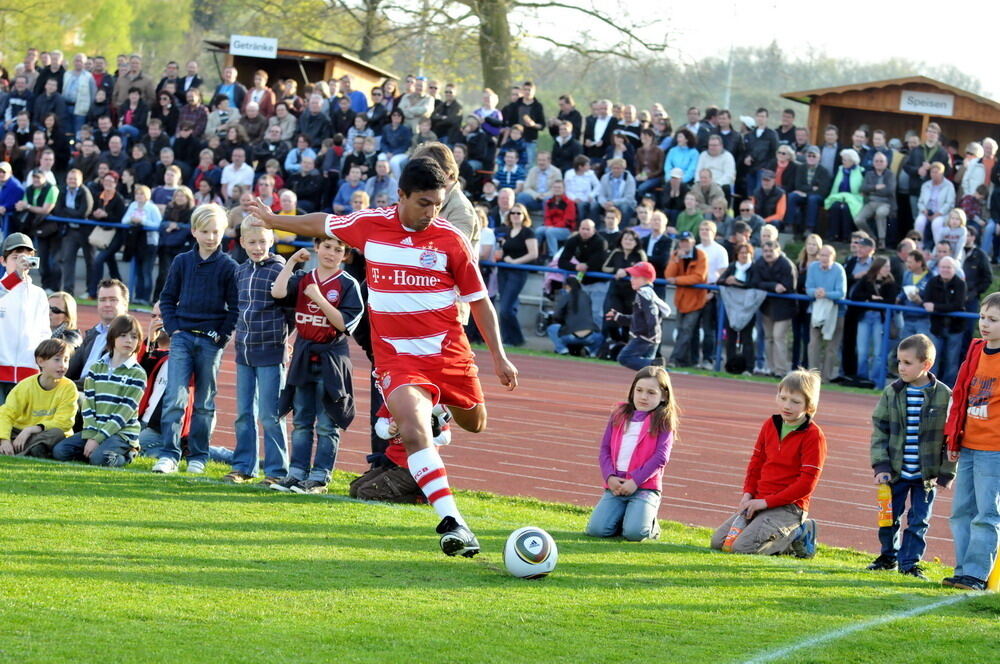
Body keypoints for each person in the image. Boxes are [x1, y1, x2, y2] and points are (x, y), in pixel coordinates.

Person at [245, 157, 518, 557]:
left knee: (475, 423)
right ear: (401, 196)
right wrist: (273, 221)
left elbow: (480, 304)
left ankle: (440, 409)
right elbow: (321, 222)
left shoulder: (450, 240)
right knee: (410, 427)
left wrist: (499, 357)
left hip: (448, 352)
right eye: (424, 203)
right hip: (397, 358)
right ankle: (453, 522)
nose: (432, 212)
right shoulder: (370, 224)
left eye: (438, 204)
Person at [268, 239, 363, 494]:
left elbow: (344, 324)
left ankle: (320, 477)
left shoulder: (347, 284)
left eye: (338, 250)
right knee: (301, 419)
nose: (331, 253)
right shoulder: (303, 277)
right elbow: (277, 292)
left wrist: (319, 298)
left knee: (326, 422)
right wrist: (290, 262)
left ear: (345, 256)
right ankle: (296, 473)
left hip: (330, 359)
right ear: (316, 247)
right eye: (327, 247)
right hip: (303, 355)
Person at [152, 204, 239, 474]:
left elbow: (235, 308)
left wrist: (222, 337)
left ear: (223, 232)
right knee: (175, 399)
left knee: (204, 402)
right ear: (194, 231)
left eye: (216, 232)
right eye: (205, 231)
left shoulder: (229, 266)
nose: (211, 237)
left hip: (210, 344)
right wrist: (174, 328)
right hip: (182, 339)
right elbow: (167, 299)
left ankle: (198, 456)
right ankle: (169, 454)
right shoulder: (181, 262)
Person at [710, 369, 825, 557]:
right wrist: (748, 494)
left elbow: (806, 484)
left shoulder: (814, 436)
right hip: (759, 500)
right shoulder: (769, 425)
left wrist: (766, 502)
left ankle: (799, 532)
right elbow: (756, 463)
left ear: (809, 406)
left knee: (742, 548)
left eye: (795, 402)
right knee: (719, 543)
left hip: (788, 507)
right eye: (783, 398)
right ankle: (773, 531)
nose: (787, 405)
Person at [867, 333, 954, 580]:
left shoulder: (944, 395)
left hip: (926, 476)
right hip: (894, 472)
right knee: (888, 518)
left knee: (919, 522)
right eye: (899, 362)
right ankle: (887, 557)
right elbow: (879, 430)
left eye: (907, 363)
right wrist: (881, 465)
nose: (900, 368)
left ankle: (910, 563)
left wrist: (947, 472)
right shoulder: (891, 393)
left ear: (925, 365)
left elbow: (951, 437)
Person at [221, 219, 292, 485]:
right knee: (243, 413)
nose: (257, 247)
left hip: (271, 352)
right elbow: (238, 309)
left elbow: (291, 311)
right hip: (244, 353)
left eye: (263, 241)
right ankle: (243, 467)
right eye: (252, 242)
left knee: (270, 415)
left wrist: (286, 341)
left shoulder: (279, 270)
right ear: (242, 243)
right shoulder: (240, 272)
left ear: (271, 240)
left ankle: (276, 472)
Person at [942, 292, 1000, 590]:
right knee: (960, 511)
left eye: (993, 319)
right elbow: (961, 393)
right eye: (982, 317)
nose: (985, 324)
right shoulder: (976, 349)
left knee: (986, 513)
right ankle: (963, 569)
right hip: (969, 445)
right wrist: (953, 438)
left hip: (995, 450)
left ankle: (977, 574)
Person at [584, 366, 677, 541]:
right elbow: (604, 449)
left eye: (651, 392)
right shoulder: (619, 414)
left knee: (635, 534)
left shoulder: (663, 421)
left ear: (663, 396)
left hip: (644, 487)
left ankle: (650, 525)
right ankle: (624, 518)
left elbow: (661, 457)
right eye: (639, 390)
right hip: (617, 485)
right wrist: (609, 477)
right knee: (596, 530)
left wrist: (635, 481)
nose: (643, 397)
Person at [52, 314, 147, 467]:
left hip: (121, 433)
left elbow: (123, 413)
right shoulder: (96, 368)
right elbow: (88, 404)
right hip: (96, 429)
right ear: (112, 338)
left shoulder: (137, 374)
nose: (129, 340)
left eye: (134, 337)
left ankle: (127, 454)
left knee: (99, 460)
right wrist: (91, 435)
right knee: (60, 451)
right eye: (123, 335)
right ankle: (93, 452)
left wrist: (97, 439)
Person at [0, 338, 77, 458]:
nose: (62, 365)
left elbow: (64, 422)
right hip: (19, 433)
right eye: (57, 360)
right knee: (4, 428)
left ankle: (18, 452)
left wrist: (31, 429)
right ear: (40, 361)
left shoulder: (69, 388)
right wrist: (4, 439)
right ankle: (25, 449)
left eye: (66, 360)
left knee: (57, 433)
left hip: (44, 434)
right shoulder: (26, 385)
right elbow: (7, 413)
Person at [0, 233, 50, 404]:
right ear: (3, 261)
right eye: (15, 257)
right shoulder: (2, 289)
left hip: (28, 375)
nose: (22, 262)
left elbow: (44, 334)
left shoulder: (39, 294)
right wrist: (15, 278)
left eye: (27, 257)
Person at [606, 261, 670, 370]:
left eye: (635, 277)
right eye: (631, 276)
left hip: (645, 337)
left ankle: (656, 366)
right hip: (651, 337)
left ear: (646, 279)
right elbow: (637, 319)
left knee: (624, 358)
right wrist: (618, 317)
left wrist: (652, 334)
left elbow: (652, 314)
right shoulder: (645, 293)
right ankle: (655, 371)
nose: (631, 280)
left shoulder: (644, 294)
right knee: (646, 373)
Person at [67, 278, 129, 387]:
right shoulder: (93, 333)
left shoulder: (128, 337)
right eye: (102, 300)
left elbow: (102, 379)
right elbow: (70, 368)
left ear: (125, 304)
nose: (107, 304)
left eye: (113, 299)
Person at [493, 203, 537, 346]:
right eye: (513, 213)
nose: (516, 216)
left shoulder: (528, 232)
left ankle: (517, 339)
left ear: (524, 216)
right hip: (503, 271)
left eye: (519, 213)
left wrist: (515, 262)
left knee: (506, 308)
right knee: (505, 308)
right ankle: (507, 339)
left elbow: (533, 254)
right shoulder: (506, 231)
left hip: (517, 272)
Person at [751, 240, 797, 377]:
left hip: (784, 308)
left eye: (771, 251)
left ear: (778, 251)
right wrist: (773, 286)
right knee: (768, 337)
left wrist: (775, 286)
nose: (768, 254)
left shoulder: (786, 264)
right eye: (765, 251)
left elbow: (788, 286)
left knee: (778, 337)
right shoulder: (759, 263)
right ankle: (770, 368)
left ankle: (781, 370)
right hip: (766, 307)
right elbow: (755, 282)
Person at [664, 232, 708, 367]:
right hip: (681, 300)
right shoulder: (676, 254)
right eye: (682, 241)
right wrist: (675, 260)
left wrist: (678, 280)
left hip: (696, 300)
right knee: (685, 331)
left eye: (687, 241)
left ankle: (674, 359)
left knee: (686, 330)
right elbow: (668, 275)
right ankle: (688, 360)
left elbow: (698, 277)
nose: (684, 244)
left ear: (693, 242)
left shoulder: (701, 255)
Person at [853, 257, 899, 385]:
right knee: (862, 351)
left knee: (879, 352)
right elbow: (856, 296)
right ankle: (862, 379)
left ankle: (875, 380)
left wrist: (872, 300)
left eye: (888, 266)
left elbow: (890, 301)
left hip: (880, 318)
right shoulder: (866, 279)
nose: (888, 269)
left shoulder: (890, 283)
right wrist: (872, 298)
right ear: (878, 267)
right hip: (865, 317)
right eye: (885, 266)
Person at [805, 245, 846, 382]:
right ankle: (813, 376)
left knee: (831, 346)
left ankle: (826, 377)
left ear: (833, 257)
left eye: (827, 255)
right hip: (816, 310)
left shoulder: (839, 270)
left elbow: (841, 293)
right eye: (822, 255)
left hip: (836, 312)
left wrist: (826, 294)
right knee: (813, 344)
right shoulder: (813, 268)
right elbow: (808, 288)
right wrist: (816, 292)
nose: (823, 258)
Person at [923, 256, 966, 386]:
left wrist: (936, 307)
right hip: (937, 328)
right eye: (943, 267)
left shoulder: (960, 284)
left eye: (948, 267)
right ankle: (931, 386)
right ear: (938, 268)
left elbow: (958, 305)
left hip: (955, 328)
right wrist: (940, 308)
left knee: (951, 361)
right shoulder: (932, 282)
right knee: (933, 359)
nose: (945, 270)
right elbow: (927, 302)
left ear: (954, 269)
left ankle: (948, 389)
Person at [547, 276, 603, 357]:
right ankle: (590, 351)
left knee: (551, 329)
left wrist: (562, 322)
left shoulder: (566, 296)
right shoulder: (586, 296)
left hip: (570, 335)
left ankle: (562, 349)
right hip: (591, 336)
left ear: (567, 286)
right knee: (600, 336)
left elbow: (557, 315)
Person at [855, 151, 896, 249]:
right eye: (876, 161)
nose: (879, 163)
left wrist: (871, 190)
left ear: (886, 163)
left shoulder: (890, 175)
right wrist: (876, 187)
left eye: (881, 161)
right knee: (858, 219)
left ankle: (882, 241)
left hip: (885, 203)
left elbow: (890, 190)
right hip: (871, 202)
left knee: (881, 213)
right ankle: (872, 237)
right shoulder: (869, 174)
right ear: (873, 163)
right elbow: (862, 188)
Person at [824, 148, 864, 242]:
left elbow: (861, 189)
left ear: (852, 161)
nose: (843, 162)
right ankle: (833, 235)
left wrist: (847, 198)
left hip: (854, 198)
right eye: (843, 159)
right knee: (835, 207)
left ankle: (846, 236)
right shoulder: (840, 170)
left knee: (846, 209)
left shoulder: (861, 171)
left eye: (845, 160)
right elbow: (835, 186)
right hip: (838, 197)